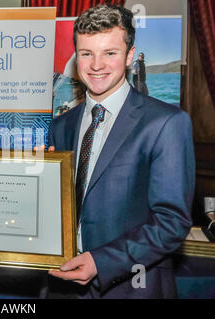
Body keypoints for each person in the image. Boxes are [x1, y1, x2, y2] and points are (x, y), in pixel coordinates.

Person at [47, 5, 195, 298]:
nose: (96, 65)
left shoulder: (166, 123)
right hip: (62, 286)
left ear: (129, 56)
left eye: (110, 53)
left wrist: (100, 262)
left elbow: (172, 222)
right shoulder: (61, 125)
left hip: (132, 287)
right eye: (86, 53)